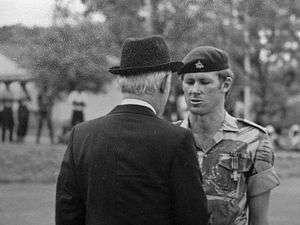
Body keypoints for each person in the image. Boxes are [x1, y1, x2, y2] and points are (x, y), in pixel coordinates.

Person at [56, 36, 209, 225]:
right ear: (164, 83)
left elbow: (67, 213)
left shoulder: (82, 134)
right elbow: (193, 218)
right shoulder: (177, 139)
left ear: (122, 82)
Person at [176, 46, 280, 225]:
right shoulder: (169, 138)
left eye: (204, 82)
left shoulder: (254, 140)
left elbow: (259, 220)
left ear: (226, 84)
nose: (195, 90)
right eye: (189, 82)